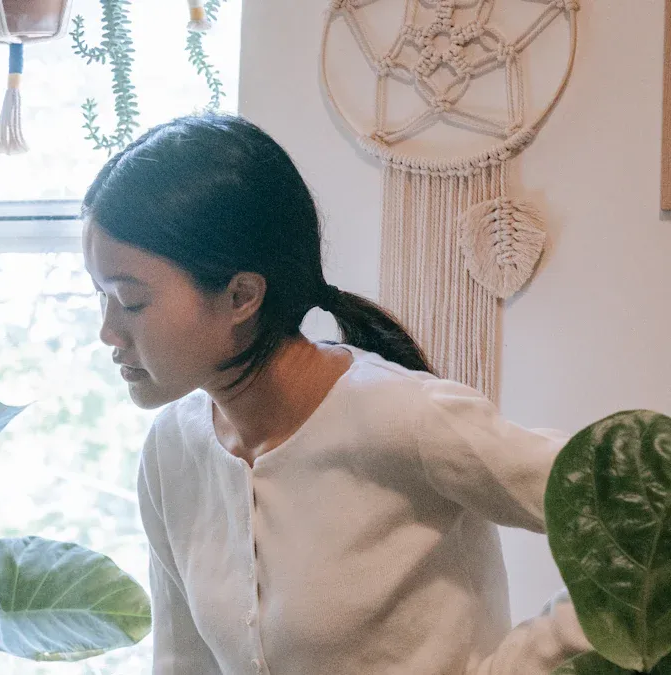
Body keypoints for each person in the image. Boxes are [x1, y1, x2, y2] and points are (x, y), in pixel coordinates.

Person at [81, 113, 590, 674]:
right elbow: (183, 662)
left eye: (130, 301)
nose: (108, 330)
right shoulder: (171, 451)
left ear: (241, 296)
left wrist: (527, 662)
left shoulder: (404, 417)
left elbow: (648, 504)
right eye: (100, 295)